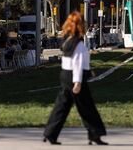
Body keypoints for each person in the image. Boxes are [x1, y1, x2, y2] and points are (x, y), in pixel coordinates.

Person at [44, 11, 107, 146]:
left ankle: (50, 133)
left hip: (66, 75)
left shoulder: (67, 41)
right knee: (87, 107)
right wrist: (78, 82)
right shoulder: (78, 44)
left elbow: (69, 62)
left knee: (61, 106)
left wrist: (88, 72)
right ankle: (95, 134)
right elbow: (77, 63)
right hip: (75, 78)